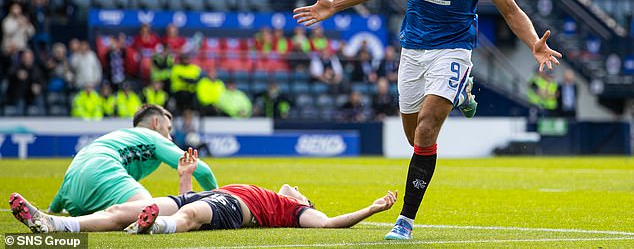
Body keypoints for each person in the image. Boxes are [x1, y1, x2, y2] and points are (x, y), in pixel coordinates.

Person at [293, 0, 561, 240]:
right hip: (413, 49)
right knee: (414, 137)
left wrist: (534, 43)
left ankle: (405, 221)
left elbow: (509, 9)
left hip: (453, 48)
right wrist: (335, 4)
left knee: (426, 128)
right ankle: (463, 94)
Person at [10, 149, 396, 234]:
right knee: (123, 209)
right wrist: (185, 178)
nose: (294, 187)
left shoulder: (293, 210)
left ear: (301, 202)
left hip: (233, 206)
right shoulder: (275, 190)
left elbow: (329, 224)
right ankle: (55, 225)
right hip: (197, 196)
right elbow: (189, 196)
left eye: (299, 191)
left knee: (188, 219)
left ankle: (155, 228)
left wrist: (371, 209)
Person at [46, 104, 218, 216]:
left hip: (72, 194)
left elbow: (71, 180)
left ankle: (62, 223)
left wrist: (52, 210)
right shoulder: (153, 136)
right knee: (152, 210)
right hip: (102, 172)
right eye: (168, 128)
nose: (170, 136)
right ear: (156, 123)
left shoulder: (119, 137)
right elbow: (202, 170)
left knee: (115, 215)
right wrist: (219, 200)